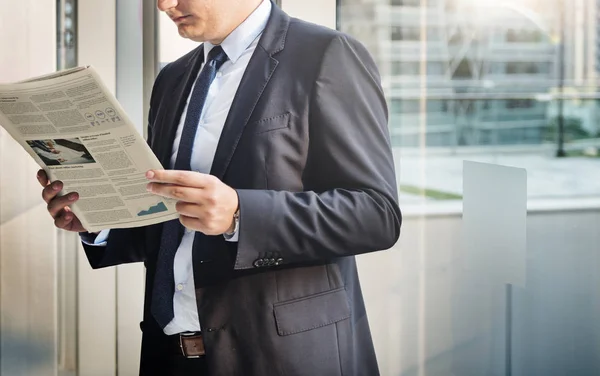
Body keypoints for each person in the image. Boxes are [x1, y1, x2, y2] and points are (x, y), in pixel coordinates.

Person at [37, 0, 402, 374]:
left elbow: (377, 213)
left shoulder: (326, 54)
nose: (164, 4)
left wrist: (240, 215)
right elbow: (169, 222)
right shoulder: (173, 79)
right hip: (169, 355)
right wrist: (98, 218)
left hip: (281, 358)